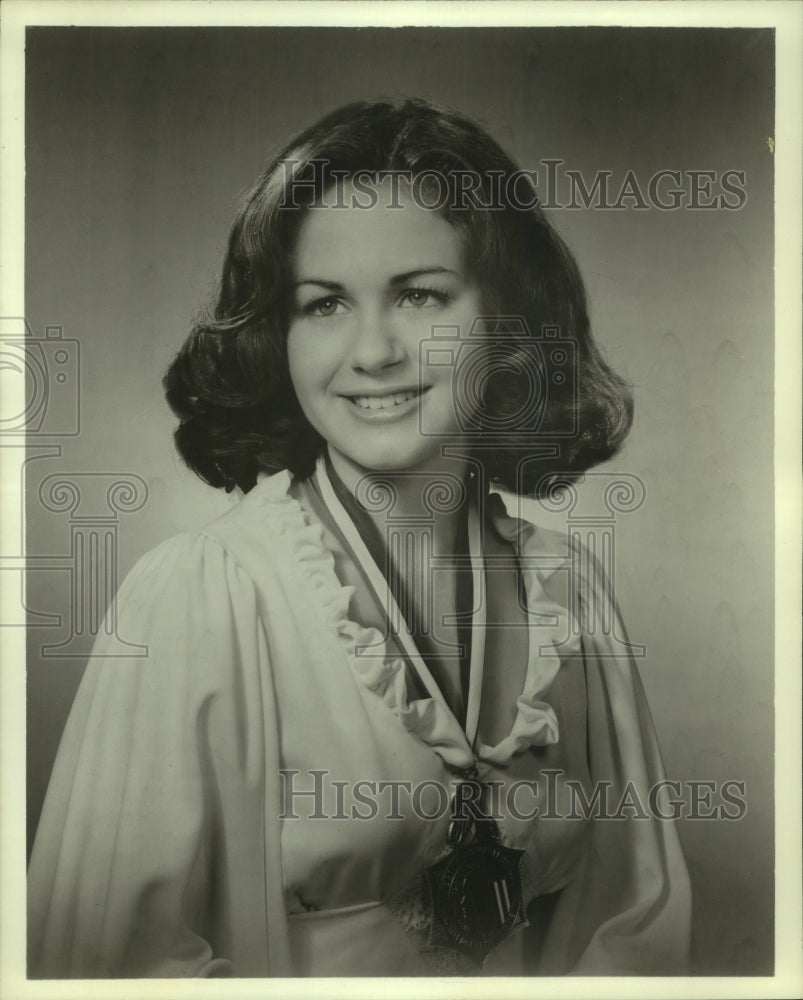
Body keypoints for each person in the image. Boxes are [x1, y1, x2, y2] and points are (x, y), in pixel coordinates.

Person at [28, 98, 691, 978]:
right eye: (325, 303)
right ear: (279, 332)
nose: (372, 350)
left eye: (419, 295)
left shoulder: (570, 595)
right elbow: (110, 965)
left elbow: (632, 923)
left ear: (505, 316)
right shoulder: (200, 596)